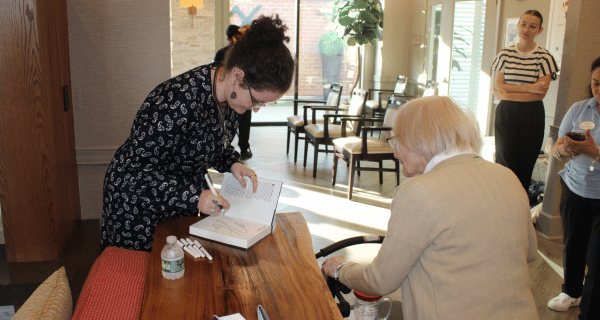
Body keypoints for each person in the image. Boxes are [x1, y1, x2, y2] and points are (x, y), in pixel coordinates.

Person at [321, 96, 539, 320]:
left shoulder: (417, 192)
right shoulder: (506, 176)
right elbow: (530, 252)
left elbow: (380, 280)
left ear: (419, 139)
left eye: (397, 141)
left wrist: (340, 269)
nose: (395, 153)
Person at [101, 15, 294, 252]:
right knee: (141, 281)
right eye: (256, 101)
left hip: (179, 205)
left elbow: (210, 145)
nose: (255, 109)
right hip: (136, 208)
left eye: (264, 104)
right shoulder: (176, 101)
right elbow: (132, 174)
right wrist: (193, 197)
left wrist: (232, 163)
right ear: (237, 77)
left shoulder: (233, 100)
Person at [548, 57, 600, 319]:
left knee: (597, 256)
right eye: (596, 83)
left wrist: (595, 152)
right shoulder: (579, 109)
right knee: (573, 244)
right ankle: (571, 291)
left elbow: (594, 151)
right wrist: (565, 150)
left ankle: (589, 311)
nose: (599, 89)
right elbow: (555, 148)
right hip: (574, 187)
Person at [491, 10, 559, 191]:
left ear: (540, 30)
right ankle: (502, 204)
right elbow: (498, 90)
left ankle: (520, 208)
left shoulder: (545, 57)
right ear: (519, 25)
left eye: (532, 26)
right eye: (523, 24)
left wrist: (510, 90)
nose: (526, 29)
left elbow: (540, 94)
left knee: (525, 164)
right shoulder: (504, 54)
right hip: (506, 112)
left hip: (532, 114)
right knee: (504, 163)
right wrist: (530, 87)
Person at [215, 25, 253, 160]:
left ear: (228, 38)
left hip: (226, 94)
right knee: (244, 121)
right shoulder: (246, 53)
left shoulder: (221, 53)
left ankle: (224, 150)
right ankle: (244, 149)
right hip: (244, 92)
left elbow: (217, 75)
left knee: (225, 122)